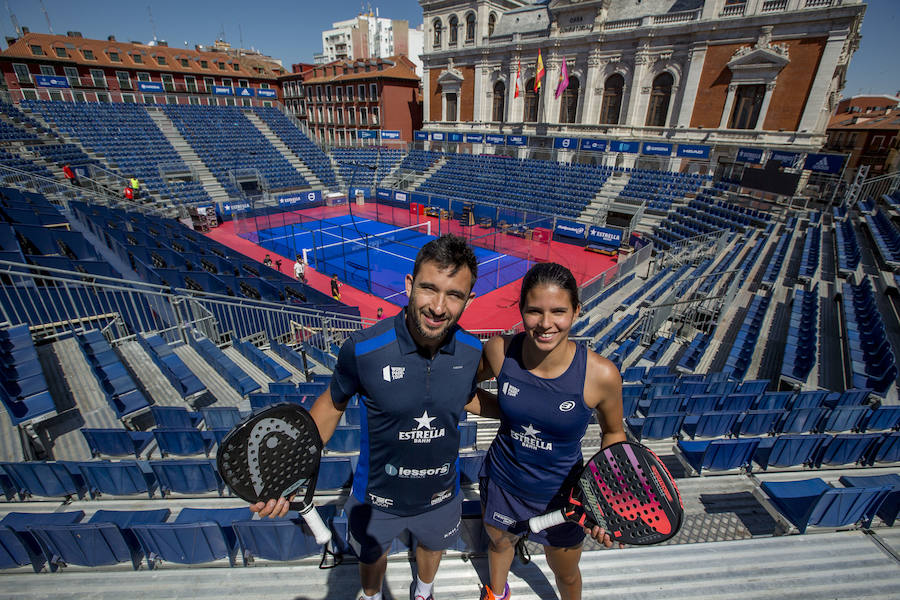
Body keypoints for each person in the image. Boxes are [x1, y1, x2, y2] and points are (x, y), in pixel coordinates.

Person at [252, 234, 499, 600]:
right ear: (410, 285)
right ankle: (370, 596)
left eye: (454, 295)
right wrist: (290, 469)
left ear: (469, 300)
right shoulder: (363, 350)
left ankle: (424, 591)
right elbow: (333, 404)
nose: (438, 306)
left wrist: (519, 417)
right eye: (429, 289)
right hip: (376, 497)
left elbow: (462, 395)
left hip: (442, 494)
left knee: (433, 549)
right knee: (372, 556)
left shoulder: (472, 351)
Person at [476, 262, 626, 600]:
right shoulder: (500, 351)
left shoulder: (601, 375)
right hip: (503, 483)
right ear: (521, 311)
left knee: (567, 574)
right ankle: (496, 594)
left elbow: (614, 434)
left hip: (564, 497)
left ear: (576, 310)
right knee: (500, 543)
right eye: (535, 311)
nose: (546, 323)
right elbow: (463, 388)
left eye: (558, 311)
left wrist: (603, 496)